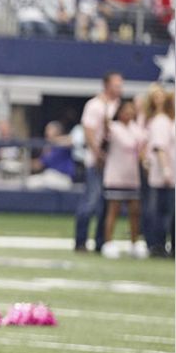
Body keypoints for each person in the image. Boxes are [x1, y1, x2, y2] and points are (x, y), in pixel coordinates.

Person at [75, 71, 122, 251]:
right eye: (116, 85)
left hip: (114, 163)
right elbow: (88, 130)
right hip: (96, 161)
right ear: (106, 85)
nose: (120, 88)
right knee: (91, 201)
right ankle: (81, 241)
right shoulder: (95, 105)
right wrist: (97, 154)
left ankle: (101, 241)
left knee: (106, 204)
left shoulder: (117, 105)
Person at [101, 99, 146, 254]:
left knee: (135, 210)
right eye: (125, 110)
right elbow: (105, 128)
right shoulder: (114, 128)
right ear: (119, 112)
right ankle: (108, 243)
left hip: (132, 176)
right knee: (114, 209)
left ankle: (134, 244)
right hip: (115, 175)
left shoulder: (136, 129)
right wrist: (106, 110)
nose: (129, 113)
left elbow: (142, 147)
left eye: (131, 110)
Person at [144, 86, 175, 258]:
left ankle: (169, 245)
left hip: (175, 174)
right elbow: (160, 147)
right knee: (162, 212)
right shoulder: (161, 121)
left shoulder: (172, 121)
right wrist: (166, 170)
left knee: (171, 213)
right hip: (164, 176)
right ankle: (157, 245)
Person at [25, 121, 76, 190]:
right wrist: (23, 164)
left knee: (44, 178)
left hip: (64, 178)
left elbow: (71, 141)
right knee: (29, 182)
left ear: (57, 131)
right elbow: (39, 164)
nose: (46, 132)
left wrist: (53, 141)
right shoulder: (48, 147)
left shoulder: (63, 143)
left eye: (49, 130)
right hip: (50, 176)